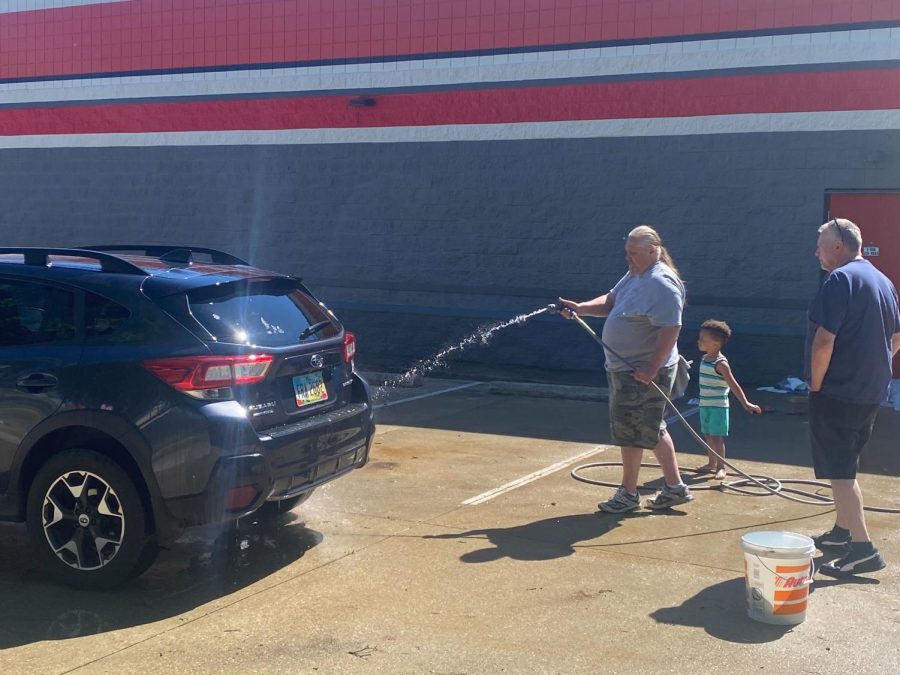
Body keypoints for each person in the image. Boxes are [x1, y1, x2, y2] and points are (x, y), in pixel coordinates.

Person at [559, 225, 692, 513]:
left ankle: (628, 494)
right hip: (629, 369)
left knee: (630, 431)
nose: (628, 258)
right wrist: (580, 308)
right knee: (652, 427)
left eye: (633, 253)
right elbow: (610, 302)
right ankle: (674, 487)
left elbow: (672, 328)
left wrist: (651, 368)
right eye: (627, 252)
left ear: (652, 250)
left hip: (641, 373)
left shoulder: (661, 283)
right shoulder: (636, 274)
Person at [807, 217, 900, 578]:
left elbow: (824, 340)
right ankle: (842, 531)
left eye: (820, 245)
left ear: (837, 246)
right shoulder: (883, 281)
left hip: (838, 393)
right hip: (869, 391)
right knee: (846, 460)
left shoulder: (840, 280)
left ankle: (863, 549)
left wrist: (816, 385)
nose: (816, 252)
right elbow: (895, 338)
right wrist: (873, 367)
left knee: (841, 470)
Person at [694, 320, 761, 480]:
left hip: (718, 406)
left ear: (716, 344)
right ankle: (711, 463)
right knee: (708, 435)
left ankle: (721, 467)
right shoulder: (704, 359)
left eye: (703, 338)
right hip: (705, 404)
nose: (699, 340)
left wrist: (746, 403)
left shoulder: (721, 364)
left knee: (717, 437)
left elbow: (733, 385)